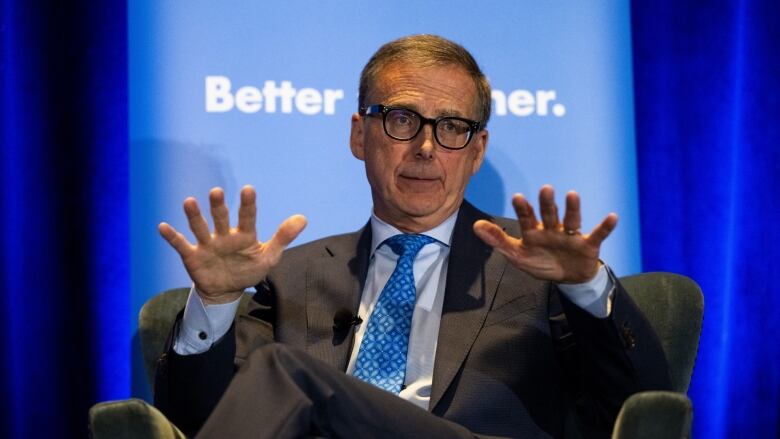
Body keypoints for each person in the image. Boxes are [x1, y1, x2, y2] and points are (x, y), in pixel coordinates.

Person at [154, 34, 671, 438]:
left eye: (452, 127)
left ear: (477, 150)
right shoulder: (294, 274)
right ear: (360, 134)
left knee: (283, 372)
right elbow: (204, 420)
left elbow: (640, 409)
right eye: (402, 119)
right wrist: (217, 302)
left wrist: (586, 286)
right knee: (273, 377)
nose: (426, 147)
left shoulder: (534, 262)